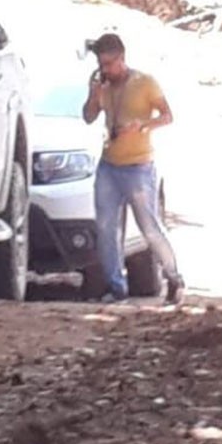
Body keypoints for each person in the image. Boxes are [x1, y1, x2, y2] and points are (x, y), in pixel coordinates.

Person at [81, 32, 184, 304]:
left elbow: (168, 115)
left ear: (122, 59)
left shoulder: (144, 83)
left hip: (138, 166)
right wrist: (94, 95)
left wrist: (143, 126)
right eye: (102, 65)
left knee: (149, 226)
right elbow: (89, 117)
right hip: (109, 165)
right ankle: (116, 286)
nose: (106, 70)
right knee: (106, 228)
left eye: (110, 64)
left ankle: (173, 277)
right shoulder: (103, 85)